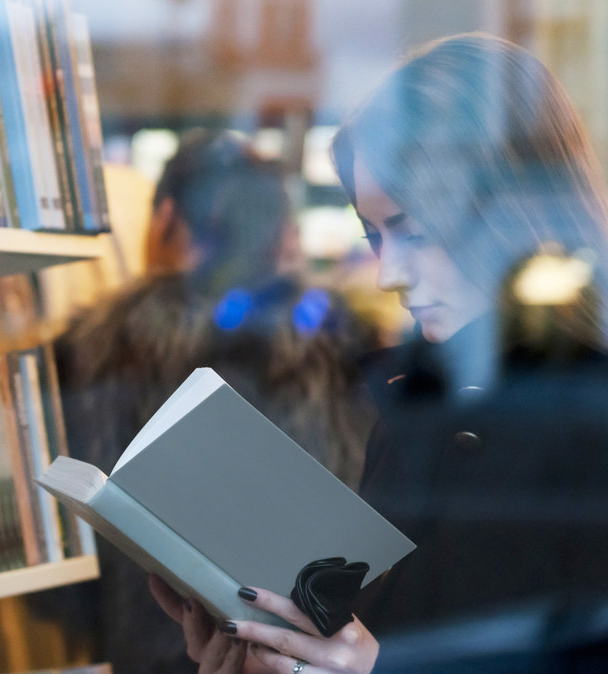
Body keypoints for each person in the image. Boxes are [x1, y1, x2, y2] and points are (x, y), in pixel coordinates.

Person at [151, 33, 608, 673]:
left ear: (510, 215)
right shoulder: (415, 424)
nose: (389, 274)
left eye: (416, 230)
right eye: (374, 235)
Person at [53, 128, 374, 673]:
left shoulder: (94, 348)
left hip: (144, 656)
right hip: (304, 662)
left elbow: (58, 579)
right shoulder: (342, 346)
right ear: (284, 235)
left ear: (166, 218)